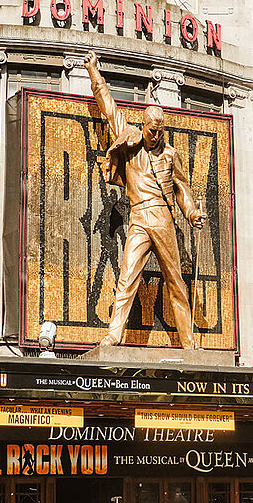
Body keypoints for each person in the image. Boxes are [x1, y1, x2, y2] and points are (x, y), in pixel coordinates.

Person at [84, 51, 206, 349]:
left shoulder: (170, 154)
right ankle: (114, 333)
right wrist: (93, 73)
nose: (155, 134)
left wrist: (191, 214)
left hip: (163, 218)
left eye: (160, 130)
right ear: (144, 123)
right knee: (127, 276)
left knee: (176, 282)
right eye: (152, 129)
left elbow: (183, 190)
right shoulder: (130, 141)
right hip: (138, 217)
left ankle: (188, 342)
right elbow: (109, 107)